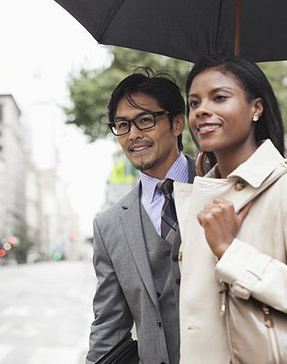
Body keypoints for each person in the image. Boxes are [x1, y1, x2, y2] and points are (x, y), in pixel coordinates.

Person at [175, 55, 287, 363]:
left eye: (219, 97)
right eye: (194, 102)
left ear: (256, 108)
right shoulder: (201, 194)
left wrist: (232, 252)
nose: (202, 110)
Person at [87, 68, 195, 364]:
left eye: (145, 120)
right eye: (122, 125)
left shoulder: (221, 184)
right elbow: (108, 325)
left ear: (177, 123)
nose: (133, 135)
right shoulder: (108, 226)